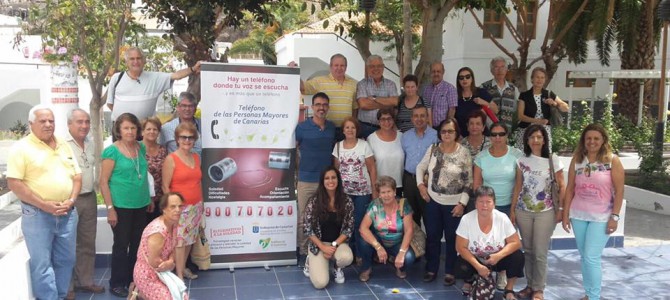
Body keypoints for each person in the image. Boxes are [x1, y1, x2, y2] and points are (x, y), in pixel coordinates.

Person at [7, 105, 81, 300]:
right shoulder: (21, 148)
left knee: (66, 260)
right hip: (38, 215)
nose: (48, 124)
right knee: (42, 264)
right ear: (31, 124)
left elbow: (77, 176)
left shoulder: (64, 145)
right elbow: (14, 182)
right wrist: (44, 205)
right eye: (43, 121)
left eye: (51, 120)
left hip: (67, 213)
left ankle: (61, 295)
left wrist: (71, 200)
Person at [562, 124, 624, 300]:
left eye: (596, 138)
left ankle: (594, 297)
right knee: (584, 257)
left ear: (603, 140)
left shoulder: (612, 161)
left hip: (602, 217)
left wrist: (615, 216)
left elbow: (619, 191)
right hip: (579, 215)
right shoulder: (577, 160)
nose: (592, 141)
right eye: (588, 138)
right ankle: (589, 294)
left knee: (591, 257)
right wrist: (566, 214)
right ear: (583, 140)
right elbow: (570, 189)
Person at [510, 124, 565, 300]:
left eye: (539, 137)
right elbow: (518, 186)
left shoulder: (553, 160)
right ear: (527, 140)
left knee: (540, 252)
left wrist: (562, 210)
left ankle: (539, 289)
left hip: (546, 211)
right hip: (523, 211)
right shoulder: (522, 161)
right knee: (528, 251)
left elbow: (562, 186)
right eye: (532, 137)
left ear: (544, 140)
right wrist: (512, 210)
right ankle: (529, 285)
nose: (535, 140)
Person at [100, 112, 151, 297]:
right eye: (126, 128)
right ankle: (116, 283)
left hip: (140, 204)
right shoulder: (112, 151)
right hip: (120, 206)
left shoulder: (141, 148)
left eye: (133, 128)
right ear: (119, 130)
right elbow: (103, 181)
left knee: (138, 245)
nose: (130, 131)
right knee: (121, 245)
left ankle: (133, 280)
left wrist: (148, 199)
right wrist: (110, 209)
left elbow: (143, 175)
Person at [416, 118, 472, 285]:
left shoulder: (464, 152)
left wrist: (462, 203)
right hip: (433, 201)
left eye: (450, 131)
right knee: (432, 236)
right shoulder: (433, 149)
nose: (446, 134)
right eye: (444, 131)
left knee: (452, 238)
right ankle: (431, 268)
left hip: (454, 205)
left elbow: (469, 181)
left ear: (456, 133)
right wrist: (420, 186)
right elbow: (420, 167)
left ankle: (450, 271)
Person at [455, 186, 524, 300]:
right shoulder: (466, 219)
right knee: (461, 262)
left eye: (488, 202)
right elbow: (460, 247)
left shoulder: (502, 218)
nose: (484, 205)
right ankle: (470, 280)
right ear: (475, 204)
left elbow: (516, 242)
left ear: (494, 203)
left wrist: (498, 256)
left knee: (518, 256)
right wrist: (478, 266)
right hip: (475, 259)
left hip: (496, 259)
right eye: (481, 202)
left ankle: (509, 289)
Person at [65, 109, 105, 299]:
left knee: (87, 242)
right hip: (69, 199)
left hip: (89, 198)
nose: (84, 125)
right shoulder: (61, 145)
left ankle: (86, 281)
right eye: (79, 122)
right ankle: (67, 285)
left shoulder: (90, 143)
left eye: (87, 122)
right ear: (69, 125)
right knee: (67, 243)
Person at [107, 47, 202, 122]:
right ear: (126, 62)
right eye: (132, 59)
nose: (135, 62)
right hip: (120, 131)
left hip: (144, 131)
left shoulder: (154, 78)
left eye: (138, 58)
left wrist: (193, 68)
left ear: (144, 61)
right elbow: (110, 104)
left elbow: (176, 75)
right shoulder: (116, 78)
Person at [295, 92, 336, 263]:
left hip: (327, 183)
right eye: (318, 104)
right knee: (304, 217)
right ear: (312, 107)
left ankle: (320, 248)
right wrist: (298, 170)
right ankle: (304, 251)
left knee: (323, 216)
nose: (321, 108)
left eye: (324, 105)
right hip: (305, 180)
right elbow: (293, 149)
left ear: (328, 107)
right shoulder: (302, 127)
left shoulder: (332, 127)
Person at [332, 117, 377, 263]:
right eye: (347, 127)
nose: (350, 130)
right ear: (343, 130)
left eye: (353, 127)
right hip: (344, 193)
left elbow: (372, 168)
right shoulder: (338, 146)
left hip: (363, 192)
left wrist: (374, 191)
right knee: (346, 223)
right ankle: (347, 253)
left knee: (359, 223)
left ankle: (360, 254)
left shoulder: (364, 145)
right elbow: (335, 170)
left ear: (357, 130)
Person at [162, 122, 203, 280]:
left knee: (189, 241)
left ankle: (183, 267)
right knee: (179, 243)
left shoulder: (196, 157)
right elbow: (165, 187)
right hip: (180, 209)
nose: (187, 140)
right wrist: (173, 209)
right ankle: (178, 276)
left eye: (190, 137)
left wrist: (202, 204)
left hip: (195, 207)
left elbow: (199, 182)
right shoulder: (171, 159)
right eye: (183, 137)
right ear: (177, 139)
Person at [302, 167, 354, 288]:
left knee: (346, 258)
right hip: (319, 245)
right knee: (320, 283)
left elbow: (349, 229)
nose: (330, 181)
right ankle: (310, 260)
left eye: (333, 177)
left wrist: (333, 246)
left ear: (338, 180)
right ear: (322, 181)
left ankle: (337, 267)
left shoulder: (347, 201)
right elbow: (307, 228)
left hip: (338, 243)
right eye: (327, 178)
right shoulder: (314, 201)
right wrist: (323, 247)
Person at [358, 176, 416, 281]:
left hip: (397, 242)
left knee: (409, 258)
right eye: (383, 192)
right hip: (380, 240)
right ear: (379, 194)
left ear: (394, 191)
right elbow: (363, 228)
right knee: (363, 241)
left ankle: (399, 267)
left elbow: (409, 231)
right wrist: (378, 247)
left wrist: (402, 253)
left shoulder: (403, 205)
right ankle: (367, 268)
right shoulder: (375, 205)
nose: (386, 195)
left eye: (389, 191)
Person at [131, 192, 187, 300]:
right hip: (147, 275)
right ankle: (140, 293)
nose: (178, 210)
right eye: (173, 207)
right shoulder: (158, 231)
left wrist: (170, 261)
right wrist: (171, 264)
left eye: (180, 206)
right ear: (164, 209)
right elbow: (154, 262)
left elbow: (173, 250)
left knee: (182, 296)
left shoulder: (174, 224)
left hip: (163, 272)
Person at [298, 54, 357, 140]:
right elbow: (302, 87)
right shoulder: (320, 81)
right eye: (336, 65)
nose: (339, 68)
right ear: (330, 67)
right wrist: (294, 71)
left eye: (342, 65)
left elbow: (354, 108)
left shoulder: (353, 84)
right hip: (326, 129)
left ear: (346, 67)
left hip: (346, 130)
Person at [474, 123, 523, 216]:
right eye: (494, 134)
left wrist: (513, 209)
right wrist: (483, 205)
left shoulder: (517, 155)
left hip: (511, 206)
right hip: (487, 206)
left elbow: (518, 185)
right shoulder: (480, 157)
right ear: (490, 137)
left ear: (507, 135)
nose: (497, 137)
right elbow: (477, 185)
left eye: (501, 134)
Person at [515, 67, 569, 151]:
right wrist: (538, 121)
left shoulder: (548, 94)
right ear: (532, 79)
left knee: (544, 155)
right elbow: (520, 116)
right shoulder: (524, 95)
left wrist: (554, 103)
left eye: (542, 77)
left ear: (545, 80)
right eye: (537, 77)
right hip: (526, 130)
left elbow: (566, 108)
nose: (539, 80)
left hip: (544, 131)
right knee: (524, 156)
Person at [401, 105, 438, 226]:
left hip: (428, 180)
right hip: (409, 180)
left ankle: (430, 244)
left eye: (422, 115)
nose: (419, 119)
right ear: (411, 118)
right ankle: (416, 244)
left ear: (427, 117)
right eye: (416, 116)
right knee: (411, 216)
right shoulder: (405, 136)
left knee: (429, 215)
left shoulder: (436, 136)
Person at [355, 55, 398, 138]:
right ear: (368, 68)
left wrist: (374, 98)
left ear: (383, 67)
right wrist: (387, 103)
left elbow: (395, 102)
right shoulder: (362, 84)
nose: (376, 69)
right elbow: (363, 104)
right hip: (365, 128)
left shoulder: (391, 84)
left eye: (379, 66)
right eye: (372, 66)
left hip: (386, 128)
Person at [367, 108, 404, 197]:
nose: (386, 122)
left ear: (393, 120)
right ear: (378, 121)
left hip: (398, 185)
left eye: (389, 118)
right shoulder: (371, 139)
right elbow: (369, 168)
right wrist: (374, 190)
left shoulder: (402, 137)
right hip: (380, 187)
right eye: (383, 119)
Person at [455, 67, 497, 137]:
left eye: (467, 77)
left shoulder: (481, 92)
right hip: (462, 137)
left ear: (472, 79)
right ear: (458, 80)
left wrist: (484, 102)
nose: (464, 79)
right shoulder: (454, 95)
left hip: (482, 136)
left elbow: (496, 109)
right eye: (461, 78)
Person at [480, 57, 519, 133]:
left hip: (507, 132)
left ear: (506, 70)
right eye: (496, 67)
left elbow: (516, 113)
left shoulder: (513, 89)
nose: (500, 70)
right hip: (489, 131)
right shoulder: (483, 87)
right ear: (491, 71)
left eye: (502, 67)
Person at [161, 92, 202, 156]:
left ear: (195, 108)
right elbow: (161, 150)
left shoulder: (203, 126)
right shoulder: (166, 128)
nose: (187, 109)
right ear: (178, 107)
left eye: (190, 106)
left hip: (198, 164)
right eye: (184, 106)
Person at [143, 117, 168, 221]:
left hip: (160, 199)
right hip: (142, 199)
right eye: (148, 129)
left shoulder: (163, 150)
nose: (152, 132)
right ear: (142, 131)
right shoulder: (136, 149)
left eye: (155, 129)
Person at [421, 62, 457, 129]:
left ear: (443, 72)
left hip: (443, 128)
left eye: (438, 71)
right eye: (433, 71)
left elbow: (452, 110)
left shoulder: (450, 88)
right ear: (430, 73)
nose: (436, 74)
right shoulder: (426, 90)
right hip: (428, 128)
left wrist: (447, 126)